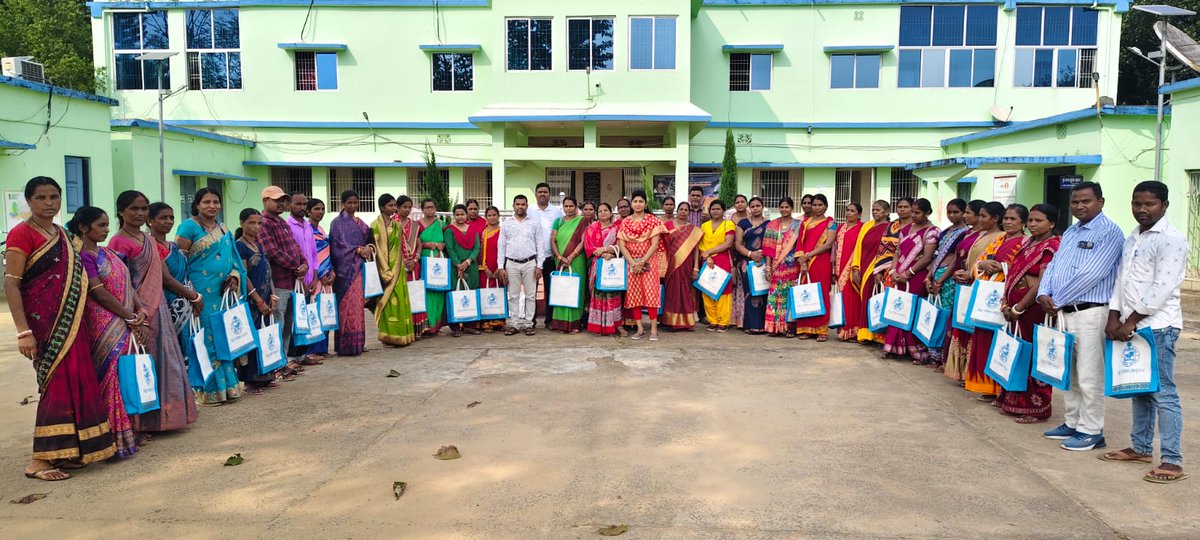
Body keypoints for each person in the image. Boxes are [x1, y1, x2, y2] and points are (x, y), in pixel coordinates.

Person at [6, 178, 117, 480]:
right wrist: (23, 331)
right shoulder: (21, 234)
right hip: (44, 323)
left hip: (73, 319)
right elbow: (12, 284)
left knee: (77, 380)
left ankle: (68, 451)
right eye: (41, 197)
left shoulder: (65, 235)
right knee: (55, 385)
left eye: (54, 196)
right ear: (29, 201)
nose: (49, 203)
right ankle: (40, 460)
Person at [1102, 181, 1188, 482]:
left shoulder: (1171, 239)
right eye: (1137, 203)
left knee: (1163, 394)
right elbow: (1121, 280)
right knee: (1139, 389)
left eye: (1149, 204)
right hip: (1129, 324)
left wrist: (1130, 321)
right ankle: (1140, 447)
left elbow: (1162, 287)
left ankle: (1172, 460)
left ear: (1164, 205)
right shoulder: (1134, 237)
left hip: (1158, 326)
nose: (1142, 209)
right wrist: (1114, 317)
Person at [1037, 181, 1124, 451]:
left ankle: (1092, 430)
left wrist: (1057, 299)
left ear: (1101, 201)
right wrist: (1043, 293)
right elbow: (1053, 266)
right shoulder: (1072, 231)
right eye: (1075, 202)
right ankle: (1073, 422)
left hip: (1090, 312)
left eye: (1086, 201)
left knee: (1089, 374)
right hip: (1064, 312)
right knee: (1070, 373)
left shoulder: (1109, 232)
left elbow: (1093, 273)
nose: (1079, 206)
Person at [108, 191, 198, 430]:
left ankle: (166, 417)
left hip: (159, 309)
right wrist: (137, 312)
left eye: (143, 209)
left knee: (165, 361)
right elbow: (120, 281)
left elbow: (162, 277)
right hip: (135, 311)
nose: (139, 213)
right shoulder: (118, 242)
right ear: (121, 211)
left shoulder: (149, 240)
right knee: (139, 365)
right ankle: (140, 423)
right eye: (134, 209)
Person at [71, 206, 140, 459]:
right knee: (108, 378)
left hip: (122, 318)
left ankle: (126, 433)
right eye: (101, 225)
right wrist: (128, 315)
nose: (107, 229)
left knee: (120, 377)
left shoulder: (108, 253)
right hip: (102, 322)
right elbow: (97, 292)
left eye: (107, 224)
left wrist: (138, 309)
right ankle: (110, 439)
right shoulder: (83, 256)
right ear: (83, 228)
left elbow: (128, 285)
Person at [176, 188, 247, 406]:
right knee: (205, 339)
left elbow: (234, 260)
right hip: (200, 294)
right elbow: (179, 264)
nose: (212, 206)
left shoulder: (223, 228)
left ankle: (228, 388)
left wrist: (234, 277)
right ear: (197, 205)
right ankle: (206, 391)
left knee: (223, 337)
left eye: (216, 202)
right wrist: (190, 294)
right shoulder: (188, 227)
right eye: (206, 202)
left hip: (223, 293)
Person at [996, 204, 1060, 423]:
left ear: (1051, 223)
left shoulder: (1051, 246)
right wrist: (1006, 303)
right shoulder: (1029, 243)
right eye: (1031, 220)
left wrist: (1019, 307)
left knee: (1033, 355)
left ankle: (1037, 407)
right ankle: (1012, 400)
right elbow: (1013, 273)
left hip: (1032, 310)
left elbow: (1043, 283)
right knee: (1016, 352)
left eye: (1038, 220)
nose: (1033, 224)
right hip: (1016, 308)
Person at [963, 202, 1025, 399]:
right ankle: (986, 386)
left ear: (1023, 222)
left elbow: (1023, 269)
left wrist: (1002, 267)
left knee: (1002, 341)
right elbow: (977, 263)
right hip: (986, 297)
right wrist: (983, 263)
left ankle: (1002, 387)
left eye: (1013, 219)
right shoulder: (998, 240)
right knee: (984, 339)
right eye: (1006, 218)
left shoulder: (1024, 242)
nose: (1008, 222)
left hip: (1006, 297)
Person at [881, 199, 940, 361]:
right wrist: (893, 270)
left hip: (916, 276)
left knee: (912, 309)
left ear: (927, 213)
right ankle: (893, 346)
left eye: (917, 212)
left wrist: (909, 272)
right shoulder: (906, 229)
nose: (913, 215)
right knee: (897, 308)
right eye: (912, 212)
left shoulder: (932, 232)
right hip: (898, 275)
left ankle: (915, 350)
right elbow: (898, 252)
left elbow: (928, 257)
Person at [259, 186, 309, 369]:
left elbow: (296, 247)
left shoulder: (281, 222)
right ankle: (276, 365)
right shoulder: (263, 223)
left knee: (288, 324)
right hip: (277, 283)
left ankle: (283, 360)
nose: (281, 204)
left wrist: (304, 264)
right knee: (277, 324)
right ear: (265, 201)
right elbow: (272, 252)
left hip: (291, 281)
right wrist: (297, 266)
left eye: (283, 200)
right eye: (276, 200)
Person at [235, 208, 284, 392]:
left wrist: (272, 296)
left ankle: (265, 376)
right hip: (251, 300)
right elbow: (244, 275)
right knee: (251, 337)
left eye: (259, 223)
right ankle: (250, 381)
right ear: (242, 223)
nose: (256, 227)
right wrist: (257, 300)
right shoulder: (240, 246)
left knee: (265, 335)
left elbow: (268, 271)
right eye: (251, 223)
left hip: (265, 296)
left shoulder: (259, 245)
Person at [942, 200, 988, 381]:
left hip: (977, 284)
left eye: (968, 213)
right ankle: (958, 369)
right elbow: (957, 258)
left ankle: (970, 371)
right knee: (957, 324)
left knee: (970, 328)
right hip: (961, 282)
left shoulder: (994, 236)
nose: (965, 216)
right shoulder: (969, 233)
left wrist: (971, 273)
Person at [924, 199, 970, 369]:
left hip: (948, 279)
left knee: (945, 316)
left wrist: (940, 280)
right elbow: (936, 256)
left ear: (964, 212)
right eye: (949, 212)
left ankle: (943, 357)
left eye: (956, 212)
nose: (952, 215)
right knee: (933, 315)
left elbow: (955, 260)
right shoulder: (945, 232)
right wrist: (929, 277)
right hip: (936, 273)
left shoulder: (965, 233)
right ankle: (932, 354)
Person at [329, 190, 376, 357]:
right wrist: (357, 250)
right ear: (342, 203)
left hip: (359, 269)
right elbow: (337, 247)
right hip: (345, 272)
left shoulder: (361, 223)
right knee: (345, 307)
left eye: (355, 202)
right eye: (349, 202)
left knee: (357, 307)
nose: (352, 206)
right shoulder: (337, 223)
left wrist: (369, 248)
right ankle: (345, 345)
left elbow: (370, 239)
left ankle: (358, 343)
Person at [858, 198, 910, 344]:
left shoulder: (914, 226)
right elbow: (883, 248)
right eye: (900, 207)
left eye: (906, 207)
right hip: (884, 270)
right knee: (879, 301)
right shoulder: (892, 227)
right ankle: (875, 334)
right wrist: (879, 270)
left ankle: (899, 341)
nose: (902, 209)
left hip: (907, 272)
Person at [618, 191, 667, 340]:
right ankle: (639, 329)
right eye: (635, 201)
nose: (638, 204)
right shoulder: (625, 222)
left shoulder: (653, 220)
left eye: (641, 201)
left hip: (649, 263)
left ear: (645, 204)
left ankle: (653, 329)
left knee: (651, 295)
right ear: (631, 204)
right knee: (634, 296)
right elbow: (622, 245)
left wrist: (642, 261)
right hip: (631, 263)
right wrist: (633, 263)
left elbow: (655, 244)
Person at [497, 194, 546, 335]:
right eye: (517, 204)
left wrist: (539, 265)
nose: (520, 207)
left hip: (530, 262)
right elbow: (501, 246)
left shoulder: (534, 223)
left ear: (527, 206)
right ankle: (514, 324)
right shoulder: (506, 224)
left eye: (523, 204)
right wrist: (501, 267)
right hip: (511, 263)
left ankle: (529, 324)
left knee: (530, 295)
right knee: (513, 295)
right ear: (513, 206)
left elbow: (540, 245)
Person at [372, 194, 417, 346]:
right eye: (390, 206)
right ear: (382, 207)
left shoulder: (397, 225)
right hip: (383, 270)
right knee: (387, 302)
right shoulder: (375, 225)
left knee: (401, 301)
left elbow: (402, 246)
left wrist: (409, 261)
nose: (393, 208)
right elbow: (376, 249)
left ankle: (402, 335)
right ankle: (387, 336)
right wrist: (385, 269)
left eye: (394, 206)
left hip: (398, 268)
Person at [793, 194, 837, 341]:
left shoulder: (830, 223)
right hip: (805, 263)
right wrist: (803, 261)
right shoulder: (805, 223)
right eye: (815, 205)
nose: (817, 208)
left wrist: (809, 255)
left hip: (821, 261)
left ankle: (821, 330)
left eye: (820, 205)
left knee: (821, 294)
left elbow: (828, 244)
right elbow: (800, 243)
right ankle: (806, 328)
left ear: (826, 206)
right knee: (805, 294)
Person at [148, 202, 194, 340]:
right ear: (150, 220)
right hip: (167, 304)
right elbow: (167, 280)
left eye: (171, 218)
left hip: (186, 301)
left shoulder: (173, 246)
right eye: (163, 218)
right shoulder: (150, 245)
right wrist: (194, 297)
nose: (169, 221)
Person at [287, 191, 322, 364]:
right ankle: (291, 356)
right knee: (294, 318)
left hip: (310, 279)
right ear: (289, 205)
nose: (302, 207)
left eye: (304, 204)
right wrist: (300, 276)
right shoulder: (288, 225)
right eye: (298, 204)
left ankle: (302, 354)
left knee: (305, 316)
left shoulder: (308, 226)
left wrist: (315, 277)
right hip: (295, 280)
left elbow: (314, 255)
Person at [849, 201, 891, 342]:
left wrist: (880, 268)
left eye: (878, 210)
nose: (875, 212)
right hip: (863, 265)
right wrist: (856, 267)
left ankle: (879, 336)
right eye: (873, 209)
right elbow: (858, 246)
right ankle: (865, 334)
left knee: (876, 299)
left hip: (879, 268)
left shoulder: (890, 228)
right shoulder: (867, 225)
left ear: (886, 211)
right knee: (865, 299)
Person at [585, 203, 626, 336]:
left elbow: (622, 246)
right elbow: (588, 246)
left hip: (613, 265)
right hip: (598, 265)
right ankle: (597, 325)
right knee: (598, 295)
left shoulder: (618, 228)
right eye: (600, 210)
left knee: (614, 295)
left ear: (610, 212)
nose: (603, 213)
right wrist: (602, 253)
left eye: (605, 210)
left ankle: (617, 325)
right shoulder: (591, 228)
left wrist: (611, 252)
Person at [763, 197, 803, 337]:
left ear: (792, 208)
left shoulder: (798, 225)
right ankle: (774, 327)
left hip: (792, 267)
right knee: (775, 297)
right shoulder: (772, 225)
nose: (784, 209)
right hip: (776, 267)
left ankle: (790, 327)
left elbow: (800, 247)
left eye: (787, 207)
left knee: (789, 297)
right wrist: (768, 268)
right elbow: (767, 249)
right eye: (782, 207)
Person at [548, 197, 588, 333]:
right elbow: (552, 240)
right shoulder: (558, 222)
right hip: (560, 260)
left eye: (571, 206)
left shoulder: (582, 221)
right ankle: (560, 324)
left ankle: (575, 324)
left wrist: (571, 256)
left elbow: (583, 241)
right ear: (562, 207)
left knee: (576, 289)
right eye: (566, 206)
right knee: (561, 289)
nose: (569, 208)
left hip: (576, 260)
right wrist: (559, 257)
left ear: (576, 207)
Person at [661, 201, 702, 330]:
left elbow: (696, 250)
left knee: (685, 290)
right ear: (677, 211)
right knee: (671, 291)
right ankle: (668, 321)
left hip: (686, 264)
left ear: (689, 213)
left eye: (686, 210)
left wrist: (696, 267)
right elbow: (662, 247)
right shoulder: (667, 225)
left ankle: (686, 321)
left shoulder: (694, 230)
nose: (683, 212)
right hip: (670, 263)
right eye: (681, 209)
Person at [528, 183, 564, 328]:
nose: (542, 194)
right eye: (540, 192)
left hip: (550, 258)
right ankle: (531, 320)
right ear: (536, 194)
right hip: (533, 258)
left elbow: (560, 234)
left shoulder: (557, 212)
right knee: (531, 291)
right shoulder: (529, 210)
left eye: (545, 192)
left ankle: (549, 320)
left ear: (549, 194)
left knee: (551, 290)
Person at [698, 199, 736, 332]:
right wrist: (707, 256)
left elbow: (728, 244)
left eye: (718, 209)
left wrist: (709, 252)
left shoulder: (728, 224)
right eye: (713, 209)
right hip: (707, 261)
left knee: (724, 292)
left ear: (723, 210)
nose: (715, 211)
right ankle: (712, 320)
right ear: (710, 211)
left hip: (723, 260)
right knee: (707, 290)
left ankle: (723, 321)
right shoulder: (704, 226)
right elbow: (700, 245)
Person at [305, 198, 336, 358]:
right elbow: (311, 255)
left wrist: (331, 273)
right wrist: (322, 274)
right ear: (308, 211)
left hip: (327, 279)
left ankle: (323, 349)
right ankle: (312, 350)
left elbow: (327, 253)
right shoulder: (307, 230)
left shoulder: (322, 231)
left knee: (326, 311)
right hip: (315, 279)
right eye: (317, 209)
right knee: (314, 313)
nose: (321, 212)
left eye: (323, 209)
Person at [445, 203, 482, 337]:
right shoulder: (449, 230)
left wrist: (468, 261)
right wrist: (458, 264)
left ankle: (469, 325)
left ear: (466, 215)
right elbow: (450, 248)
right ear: (454, 216)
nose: (460, 217)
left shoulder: (472, 230)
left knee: (471, 293)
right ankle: (455, 326)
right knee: (455, 294)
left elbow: (477, 248)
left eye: (462, 214)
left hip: (471, 266)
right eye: (457, 214)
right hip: (456, 267)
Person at [735, 197, 768, 334]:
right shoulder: (743, 223)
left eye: (758, 206)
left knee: (763, 292)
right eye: (753, 206)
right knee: (750, 292)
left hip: (764, 262)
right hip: (746, 263)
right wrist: (750, 254)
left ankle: (763, 325)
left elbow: (771, 243)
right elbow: (738, 244)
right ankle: (750, 324)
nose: (755, 208)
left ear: (762, 207)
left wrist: (761, 255)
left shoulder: (769, 224)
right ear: (749, 208)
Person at [833, 203, 865, 341]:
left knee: (853, 299)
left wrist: (856, 267)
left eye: (853, 211)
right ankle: (843, 328)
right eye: (848, 210)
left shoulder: (862, 228)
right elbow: (835, 248)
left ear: (859, 214)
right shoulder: (841, 228)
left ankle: (853, 330)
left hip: (854, 268)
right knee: (843, 299)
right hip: (839, 268)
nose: (849, 213)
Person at [397, 197, 428, 334]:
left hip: (414, 265)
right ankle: (404, 329)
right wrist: (402, 262)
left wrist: (415, 259)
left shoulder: (415, 225)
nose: (408, 210)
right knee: (402, 296)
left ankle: (417, 329)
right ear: (398, 207)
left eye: (410, 207)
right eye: (405, 207)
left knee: (415, 295)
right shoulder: (392, 224)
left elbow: (419, 244)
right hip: (398, 266)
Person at [417, 198, 448, 335]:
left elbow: (448, 242)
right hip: (424, 259)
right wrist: (426, 245)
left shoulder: (441, 224)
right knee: (426, 292)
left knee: (438, 291)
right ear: (422, 209)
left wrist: (442, 246)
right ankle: (426, 325)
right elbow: (414, 243)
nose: (430, 209)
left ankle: (436, 326)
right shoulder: (417, 225)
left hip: (439, 260)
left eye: (432, 207)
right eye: (427, 207)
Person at [478, 206, 505, 333]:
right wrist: (485, 267)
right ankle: (487, 322)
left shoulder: (503, 231)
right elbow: (479, 250)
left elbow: (505, 250)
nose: (492, 217)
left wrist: (500, 268)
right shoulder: (482, 233)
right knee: (486, 293)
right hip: (485, 269)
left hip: (499, 267)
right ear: (486, 217)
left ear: (498, 216)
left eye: (494, 215)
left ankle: (498, 321)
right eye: (489, 215)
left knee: (498, 293)